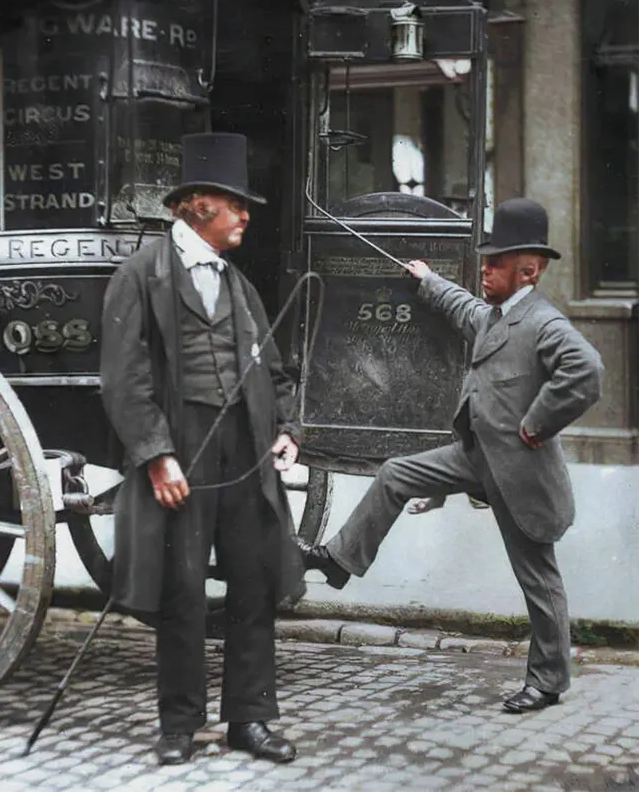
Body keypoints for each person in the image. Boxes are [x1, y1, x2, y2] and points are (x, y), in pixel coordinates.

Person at [298, 197, 604, 714]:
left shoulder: (544, 323)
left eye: (495, 263)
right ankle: (340, 560)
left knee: (538, 579)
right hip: (475, 457)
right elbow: (466, 308)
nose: (484, 268)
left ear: (528, 270)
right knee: (396, 473)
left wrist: (537, 422)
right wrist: (426, 279)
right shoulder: (499, 315)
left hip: (520, 475)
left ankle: (548, 682)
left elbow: (587, 371)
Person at [100, 132, 304, 765]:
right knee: (182, 589)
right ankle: (179, 726)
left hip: (244, 451)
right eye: (234, 203)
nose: (245, 215)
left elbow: (273, 370)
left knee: (254, 581)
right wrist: (157, 454)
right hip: (181, 449)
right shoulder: (140, 275)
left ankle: (249, 720)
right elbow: (123, 378)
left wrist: (288, 430)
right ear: (194, 206)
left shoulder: (239, 286)